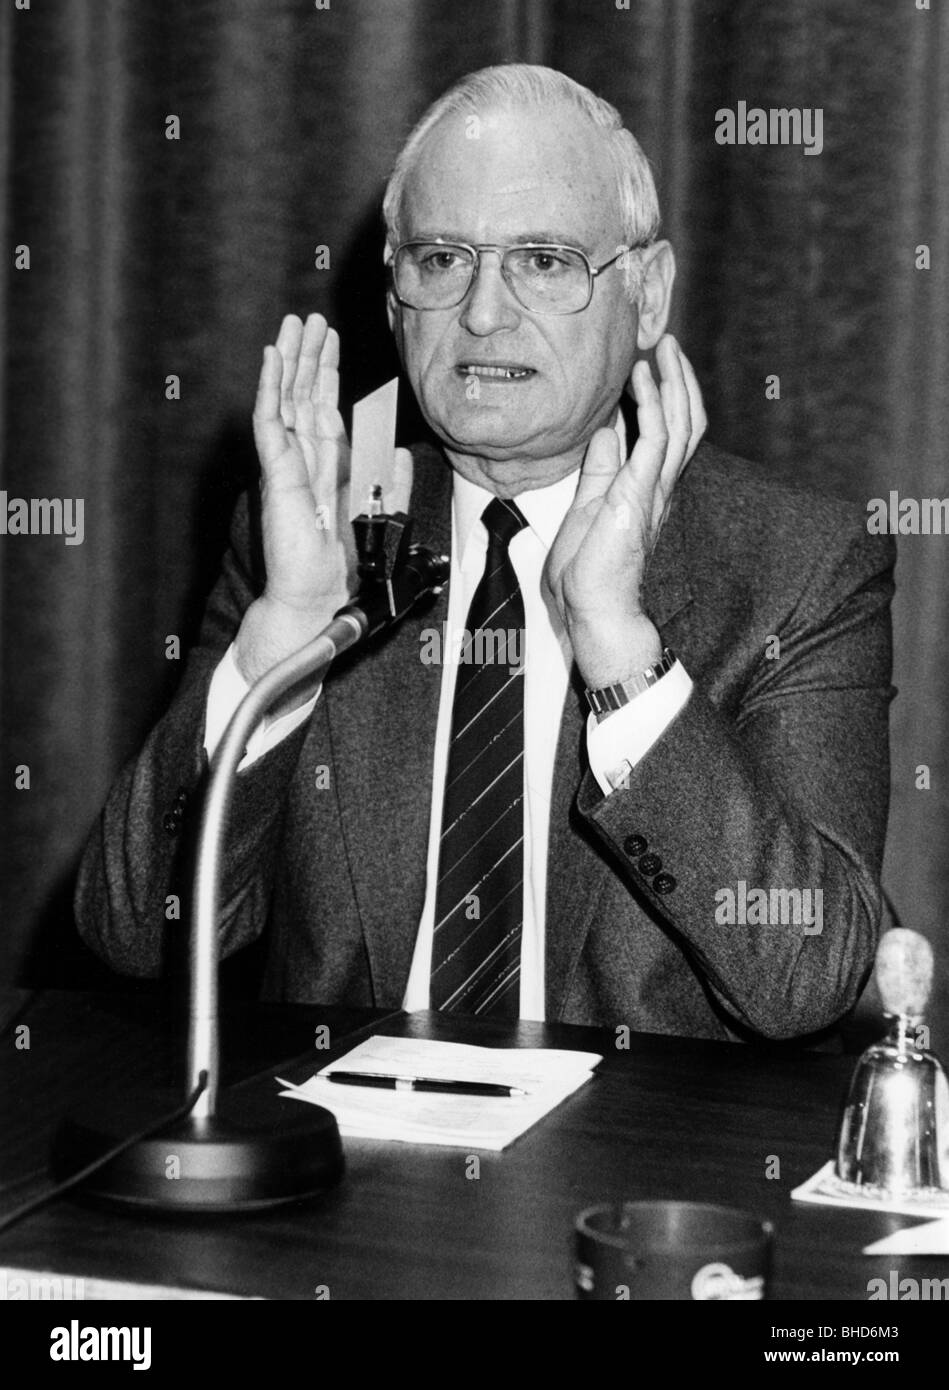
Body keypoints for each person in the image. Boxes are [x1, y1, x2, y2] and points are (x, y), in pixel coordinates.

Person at [75, 65, 894, 1043]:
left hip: (639, 1176)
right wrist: (282, 638)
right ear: (392, 301)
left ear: (645, 294)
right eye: (440, 259)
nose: (480, 313)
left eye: (543, 260)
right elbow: (135, 930)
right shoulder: (315, 526)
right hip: (357, 1170)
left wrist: (621, 655)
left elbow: (808, 980)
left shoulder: (796, 563)